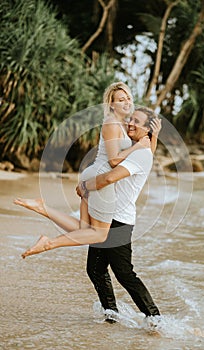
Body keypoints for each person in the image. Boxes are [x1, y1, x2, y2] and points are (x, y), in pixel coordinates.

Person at [14, 106, 162, 329]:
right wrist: (153, 136)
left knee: (124, 272)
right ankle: (111, 313)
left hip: (120, 220)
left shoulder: (141, 153)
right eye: (131, 119)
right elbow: (140, 150)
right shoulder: (138, 148)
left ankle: (154, 318)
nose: (131, 123)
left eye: (138, 122)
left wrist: (86, 186)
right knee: (95, 269)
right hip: (107, 213)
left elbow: (110, 177)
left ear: (147, 130)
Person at [17, 82, 152, 258]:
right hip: (100, 178)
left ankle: (43, 208)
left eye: (128, 98)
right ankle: (48, 243)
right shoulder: (111, 124)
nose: (126, 102)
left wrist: (150, 137)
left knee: (84, 229)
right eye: (120, 99)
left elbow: (146, 147)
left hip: (94, 173)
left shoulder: (121, 124)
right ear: (111, 104)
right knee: (99, 234)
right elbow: (113, 161)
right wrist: (137, 147)